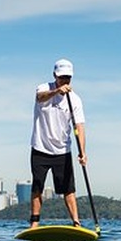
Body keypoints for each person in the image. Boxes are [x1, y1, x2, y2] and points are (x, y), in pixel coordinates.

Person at [28, 58, 87, 228]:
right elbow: (40, 98)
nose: (65, 81)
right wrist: (57, 91)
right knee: (37, 187)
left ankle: (76, 222)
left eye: (68, 78)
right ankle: (34, 224)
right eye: (62, 77)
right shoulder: (44, 88)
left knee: (68, 189)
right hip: (40, 147)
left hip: (62, 150)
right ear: (55, 75)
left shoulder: (75, 100)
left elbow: (79, 127)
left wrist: (82, 152)